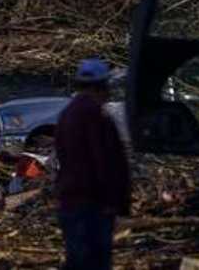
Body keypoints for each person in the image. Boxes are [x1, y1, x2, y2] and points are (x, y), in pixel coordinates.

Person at [54, 58, 131, 270]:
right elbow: (105, 163)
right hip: (91, 206)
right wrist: (115, 203)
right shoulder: (95, 115)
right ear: (103, 86)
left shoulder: (67, 114)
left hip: (71, 203)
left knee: (78, 260)